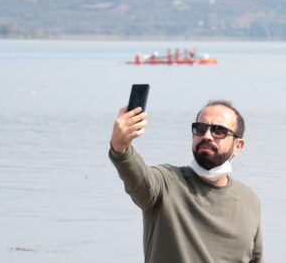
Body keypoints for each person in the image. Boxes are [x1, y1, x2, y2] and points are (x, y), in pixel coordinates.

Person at [108, 100, 263, 263]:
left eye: (219, 131)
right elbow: (137, 178)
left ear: (238, 145)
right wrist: (121, 148)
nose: (207, 136)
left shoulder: (250, 200)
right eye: (200, 129)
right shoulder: (166, 183)